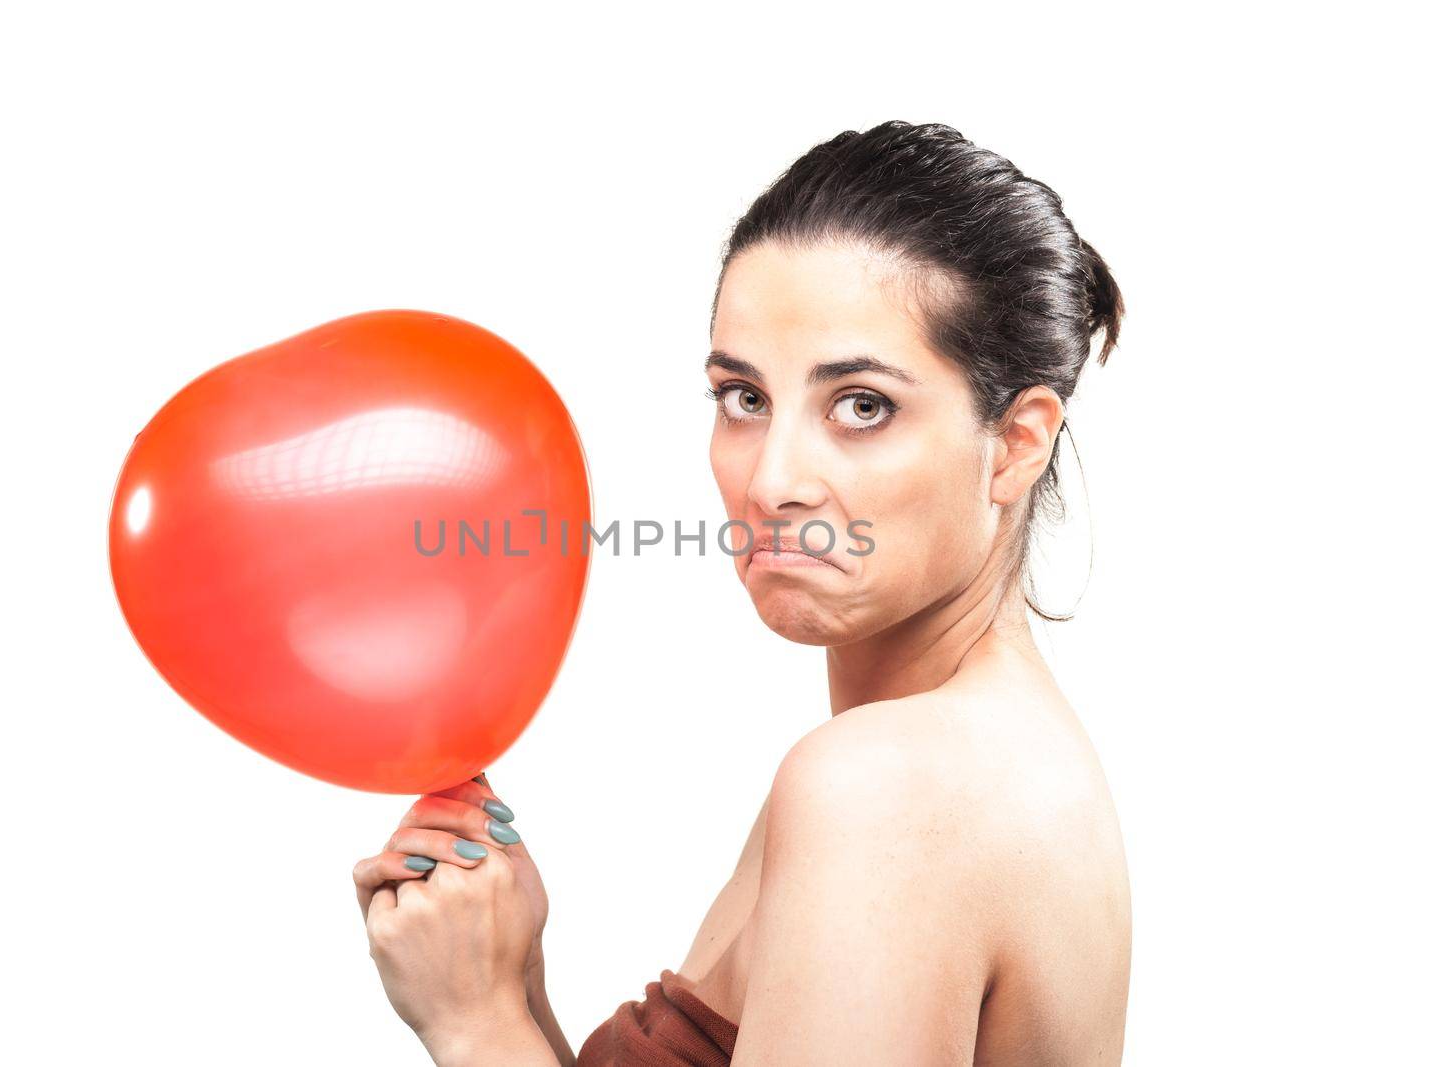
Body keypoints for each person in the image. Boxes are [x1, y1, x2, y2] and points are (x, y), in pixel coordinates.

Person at [351, 119, 1132, 1066]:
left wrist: (477, 1025)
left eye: (862, 406)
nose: (771, 481)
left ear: (1016, 443)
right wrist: (514, 985)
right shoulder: (968, 753)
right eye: (745, 398)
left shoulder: (889, 789)